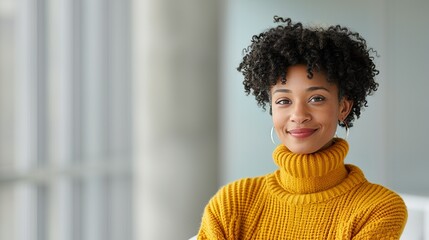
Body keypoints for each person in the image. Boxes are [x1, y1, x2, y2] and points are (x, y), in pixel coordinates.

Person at [196, 16, 407, 239]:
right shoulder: (233, 202)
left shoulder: (378, 208)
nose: (298, 115)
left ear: (343, 108)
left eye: (316, 98)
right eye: (283, 101)